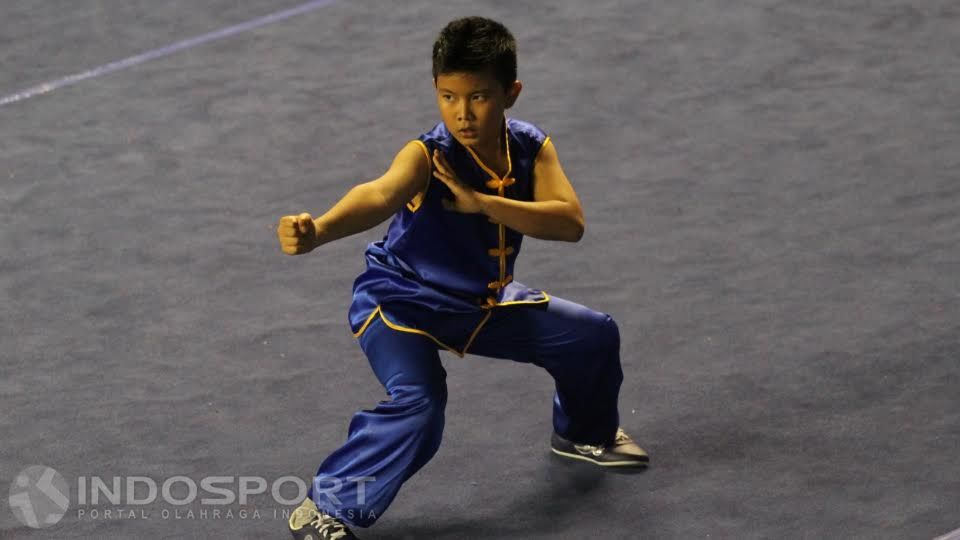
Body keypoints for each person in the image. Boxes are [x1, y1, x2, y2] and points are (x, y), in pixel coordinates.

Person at [277, 16, 649, 540]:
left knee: (592, 336)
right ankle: (324, 508)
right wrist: (319, 228)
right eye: (448, 96)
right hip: (400, 303)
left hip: (480, 304)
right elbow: (378, 195)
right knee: (421, 406)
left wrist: (484, 204)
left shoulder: (531, 147)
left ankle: (582, 433)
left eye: (478, 97)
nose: (462, 113)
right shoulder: (425, 155)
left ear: (510, 93)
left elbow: (570, 223)